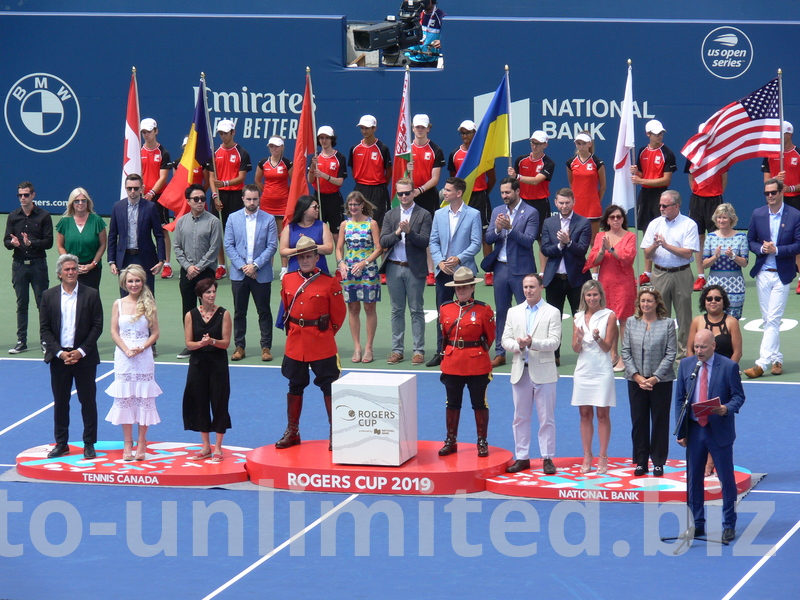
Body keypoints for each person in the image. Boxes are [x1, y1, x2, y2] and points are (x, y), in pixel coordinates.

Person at [276, 236, 346, 450]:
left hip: (321, 341)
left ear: (317, 257)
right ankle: (292, 431)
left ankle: (336, 432)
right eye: (301, 257)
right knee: (295, 385)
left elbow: (338, 315)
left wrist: (323, 333)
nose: (305, 260)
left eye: (309, 256)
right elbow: (287, 309)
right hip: (296, 342)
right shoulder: (288, 279)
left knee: (328, 386)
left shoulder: (329, 282)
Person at [675, 329, 745, 543]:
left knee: (726, 479)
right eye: (696, 346)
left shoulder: (729, 366)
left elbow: (739, 396)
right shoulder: (686, 366)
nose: (699, 351)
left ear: (713, 345)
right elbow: (679, 400)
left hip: (719, 431)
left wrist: (726, 408)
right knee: (693, 480)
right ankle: (697, 524)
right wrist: (681, 431)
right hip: (695, 430)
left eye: (703, 347)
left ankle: (728, 525)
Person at [40, 254, 103, 459]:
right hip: (59, 359)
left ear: (78, 271)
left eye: (73, 269)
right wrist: (59, 352)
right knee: (61, 402)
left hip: (84, 358)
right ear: (59, 274)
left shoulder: (91, 294)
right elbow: (45, 329)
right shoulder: (48, 296)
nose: (70, 272)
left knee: (88, 401)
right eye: (66, 269)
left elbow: (97, 326)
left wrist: (81, 351)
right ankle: (61, 443)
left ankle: (89, 443)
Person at [502, 273, 562, 474]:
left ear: (541, 288)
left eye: (532, 287)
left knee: (547, 418)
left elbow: (555, 342)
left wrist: (532, 343)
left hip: (544, 372)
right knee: (520, 417)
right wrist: (518, 346)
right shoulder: (513, 312)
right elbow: (505, 340)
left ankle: (547, 458)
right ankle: (522, 457)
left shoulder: (552, 312)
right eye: (526, 287)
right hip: (521, 371)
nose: (528, 290)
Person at [743, 178, 800, 379]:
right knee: (769, 320)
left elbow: (798, 244)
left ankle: (761, 364)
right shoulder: (758, 214)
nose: (769, 197)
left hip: (782, 275)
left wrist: (777, 250)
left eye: (773, 193)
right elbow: (750, 240)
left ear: (781, 192)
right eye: (766, 193)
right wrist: (761, 248)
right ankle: (777, 358)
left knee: (773, 319)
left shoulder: (794, 215)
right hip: (762, 274)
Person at [105, 265, 162, 461]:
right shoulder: (118, 304)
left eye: (137, 280)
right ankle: (127, 443)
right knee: (126, 398)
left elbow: (155, 333)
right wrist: (126, 349)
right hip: (123, 357)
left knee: (144, 398)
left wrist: (142, 347)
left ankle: (142, 442)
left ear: (142, 282)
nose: (134, 284)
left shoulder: (149, 304)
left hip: (143, 356)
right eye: (130, 281)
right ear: (124, 283)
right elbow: (114, 332)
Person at [436, 267, 494, 457]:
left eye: (465, 287)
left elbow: (490, 337)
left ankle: (482, 441)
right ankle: (451, 440)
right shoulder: (445, 309)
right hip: (452, 362)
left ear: (472, 288)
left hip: (477, 363)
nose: (461, 291)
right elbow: (445, 335)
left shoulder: (483, 310)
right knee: (452, 403)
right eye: (458, 287)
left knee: (479, 403)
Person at [483, 177, 537, 368]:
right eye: (502, 193)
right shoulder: (498, 211)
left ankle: (528, 352)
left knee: (526, 313)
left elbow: (529, 240)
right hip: (501, 268)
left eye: (508, 192)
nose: (505, 196)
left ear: (517, 192)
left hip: (522, 271)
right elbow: (488, 238)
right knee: (502, 312)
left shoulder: (531, 212)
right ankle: (500, 352)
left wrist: (510, 228)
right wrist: (497, 228)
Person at [427, 177, 482, 367]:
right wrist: (440, 261)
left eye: (448, 190)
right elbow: (433, 241)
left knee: (467, 312)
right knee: (442, 312)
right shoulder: (439, 214)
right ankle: (441, 351)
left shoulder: (474, 214)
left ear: (459, 193)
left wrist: (458, 258)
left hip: (464, 272)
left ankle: (469, 350)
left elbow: (476, 243)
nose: (444, 192)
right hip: (443, 271)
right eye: (445, 189)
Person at [621, 288, 676, 477]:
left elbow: (671, 354)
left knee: (660, 421)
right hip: (636, 382)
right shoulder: (631, 322)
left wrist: (655, 378)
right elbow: (626, 351)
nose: (646, 304)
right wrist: (637, 377)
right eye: (643, 301)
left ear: (657, 303)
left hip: (661, 382)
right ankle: (641, 461)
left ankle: (659, 462)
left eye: (649, 301)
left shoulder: (667, 324)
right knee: (639, 422)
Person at [380, 177, 432, 365]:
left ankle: (418, 350)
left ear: (413, 193)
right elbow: (383, 242)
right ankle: (397, 350)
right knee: (397, 310)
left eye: (407, 193)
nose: (403, 196)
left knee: (416, 310)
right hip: (394, 267)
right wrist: (396, 233)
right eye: (400, 193)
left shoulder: (424, 214)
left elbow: (425, 241)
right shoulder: (390, 215)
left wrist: (409, 231)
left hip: (414, 269)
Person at [641, 190, 699, 359]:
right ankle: (663, 355)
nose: (661, 208)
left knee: (684, 317)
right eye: (660, 205)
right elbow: (647, 253)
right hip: (660, 274)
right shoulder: (654, 224)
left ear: (676, 206)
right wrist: (655, 245)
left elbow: (688, 253)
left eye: (665, 205)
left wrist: (665, 245)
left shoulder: (689, 225)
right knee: (659, 317)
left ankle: (684, 356)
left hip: (682, 274)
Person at [224, 184, 279, 362]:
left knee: (264, 311)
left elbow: (272, 246)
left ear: (259, 199)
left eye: (255, 199)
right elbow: (228, 245)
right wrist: (243, 267)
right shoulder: (232, 218)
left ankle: (266, 347)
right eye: (249, 199)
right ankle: (239, 346)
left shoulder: (269, 219)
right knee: (240, 312)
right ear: (243, 199)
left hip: (261, 274)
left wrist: (254, 266)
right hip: (240, 275)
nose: (252, 202)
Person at [182, 278, 232, 463]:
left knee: (219, 402)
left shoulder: (224, 314)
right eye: (208, 292)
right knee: (200, 403)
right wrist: (200, 344)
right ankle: (205, 447)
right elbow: (188, 343)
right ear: (200, 295)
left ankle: (218, 447)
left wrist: (212, 341)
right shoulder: (191, 315)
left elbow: (226, 343)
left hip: (218, 364)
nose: (212, 295)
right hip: (198, 365)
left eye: (213, 292)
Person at [571, 280, 617, 474]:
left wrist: (597, 338)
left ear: (601, 296)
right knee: (585, 414)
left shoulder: (610, 316)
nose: (591, 298)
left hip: (602, 369)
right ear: (584, 296)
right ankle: (587, 454)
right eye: (588, 295)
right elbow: (575, 349)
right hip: (583, 370)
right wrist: (579, 340)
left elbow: (608, 347)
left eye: (595, 295)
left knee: (602, 414)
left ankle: (603, 456)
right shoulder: (578, 317)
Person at [541, 188, 592, 364]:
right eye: (561, 203)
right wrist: (560, 247)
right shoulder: (548, 223)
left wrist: (568, 242)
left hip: (577, 280)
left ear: (573, 202)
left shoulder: (584, 222)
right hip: (554, 279)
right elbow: (545, 249)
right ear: (555, 203)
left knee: (580, 317)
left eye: (567, 203)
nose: (564, 206)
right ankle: (554, 355)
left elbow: (582, 250)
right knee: (553, 319)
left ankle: (583, 352)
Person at [584, 204, 637, 370]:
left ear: (623, 219)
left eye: (619, 217)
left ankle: (626, 357)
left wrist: (611, 248)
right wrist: (602, 250)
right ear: (607, 220)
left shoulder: (630, 236)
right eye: (612, 217)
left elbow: (627, 257)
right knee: (609, 319)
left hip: (624, 282)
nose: (615, 220)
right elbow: (594, 259)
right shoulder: (600, 236)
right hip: (605, 281)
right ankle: (613, 354)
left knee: (623, 319)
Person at [173, 185, 223, 359]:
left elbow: (214, 248)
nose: (200, 202)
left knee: (207, 309)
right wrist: (188, 267)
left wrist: (198, 267)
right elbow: (177, 247)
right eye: (196, 199)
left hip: (205, 272)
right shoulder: (181, 222)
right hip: (187, 273)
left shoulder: (213, 222)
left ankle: (208, 342)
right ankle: (192, 344)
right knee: (188, 309)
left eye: (202, 198)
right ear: (188, 201)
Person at [4, 181, 53, 354]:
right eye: (20, 195)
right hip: (19, 266)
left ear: (33, 195)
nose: (23, 198)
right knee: (21, 304)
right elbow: (6, 241)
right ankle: (21, 341)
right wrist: (13, 243)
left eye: (26, 195)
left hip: (38, 265)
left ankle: (45, 341)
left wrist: (31, 243)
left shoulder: (44, 216)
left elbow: (49, 242)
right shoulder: (13, 216)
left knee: (42, 304)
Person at [336, 191, 382, 364]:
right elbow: (339, 248)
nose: (353, 207)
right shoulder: (344, 225)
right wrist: (341, 263)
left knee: (370, 309)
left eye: (356, 204)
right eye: (350, 205)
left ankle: (369, 347)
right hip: (349, 271)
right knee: (353, 309)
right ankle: (357, 347)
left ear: (362, 205)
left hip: (368, 270)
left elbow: (379, 248)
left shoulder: (372, 224)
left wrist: (364, 262)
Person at [630, 119, 677, 285]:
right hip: (645, 196)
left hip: (661, 195)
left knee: (663, 231)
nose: (660, 136)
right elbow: (642, 174)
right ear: (648, 134)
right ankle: (647, 273)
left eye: (661, 133)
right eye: (656, 133)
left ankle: (662, 267)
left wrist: (642, 180)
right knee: (647, 232)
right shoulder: (642, 151)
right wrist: (637, 174)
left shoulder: (668, 153)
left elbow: (666, 180)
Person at [448, 119, 495, 282]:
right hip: (462, 199)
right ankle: (465, 268)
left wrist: (481, 192)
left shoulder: (484, 153)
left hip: (480, 197)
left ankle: (489, 272)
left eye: (468, 132)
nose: (464, 135)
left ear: (475, 133)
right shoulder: (454, 154)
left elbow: (492, 179)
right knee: (462, 234)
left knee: (485, 235)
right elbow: (453, 179)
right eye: (462, 132)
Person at [206, 119, 252, 280]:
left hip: (235, 196)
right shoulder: (215, 153)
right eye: (220, 133)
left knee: (237, 232)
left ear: (233, 132)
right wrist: (215, 196)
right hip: (219, 196)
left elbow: (241, 177)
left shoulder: (242, 153)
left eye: (226, 133)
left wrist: (225, 182)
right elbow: (211, 177)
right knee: (217, 232)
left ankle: (239, 264)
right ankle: (221, 266)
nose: (223, 136)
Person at [108, 173, 166, 295]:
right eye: (130, 188)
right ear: (126, 188)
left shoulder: (150, 207)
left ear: (142, 188)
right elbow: (112, 235)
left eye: (136, 188)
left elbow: (159, 235)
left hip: (145, 258)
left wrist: (161, 260)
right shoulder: (117, 207)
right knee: (125, 296)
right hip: (124, 258)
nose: (133, 191)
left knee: (147, 296)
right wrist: (112, 261)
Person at [508, 130, 555, 271]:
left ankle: (543, 272)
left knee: (542, 239)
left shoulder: (548, 163)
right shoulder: (521, 160)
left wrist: (517, 177)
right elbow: (514, 182)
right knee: (520, 237)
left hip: (540, 203)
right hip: (523, 203)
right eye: (533, 143)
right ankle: (521, 268)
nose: (534, 146)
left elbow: (536, 181)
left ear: (545, 145)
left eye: (538, 144)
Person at [762, 121, 800, 292]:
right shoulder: (770, 155)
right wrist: (776, 181)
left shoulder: (798, 154)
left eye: (781, 134)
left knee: (797, 240)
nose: (778, 136)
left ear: (789, 134)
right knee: (777, 237)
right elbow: (766, 182)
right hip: (777, 201)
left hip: (795, 200)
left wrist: (790, 188)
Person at [685, 145, 727, 291]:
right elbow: (690, 176)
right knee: (699, 238)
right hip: (697, 201)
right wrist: (699, 191)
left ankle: (718, 274)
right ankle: (701, 276)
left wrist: (714, 193)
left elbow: (724, 179)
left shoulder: (719, 155)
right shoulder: (692, 155)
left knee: (717, 237)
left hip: (714, 200)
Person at [139, 118, 175, 279]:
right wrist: (140, 191)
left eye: (149, 131)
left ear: (156, 131)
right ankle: (145, 260)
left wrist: (151, 193)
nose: (146, 135)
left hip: (159, 197)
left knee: (162, 229)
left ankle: (167, 264)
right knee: (142, 230)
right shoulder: (138, 151)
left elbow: (163, 178)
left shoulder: (163, 153)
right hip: (141, 196)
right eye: (144, 132)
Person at [702, 203, 748, 318]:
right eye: (719, 217)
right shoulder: (711, 237)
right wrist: (715, 257)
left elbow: (745, 263)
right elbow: (704, 264)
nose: (721, 220)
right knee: (714, 319)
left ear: (731, 219)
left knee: (733, 321)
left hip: (735, 286)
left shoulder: (741, 237)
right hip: (715, 285)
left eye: (724, 217)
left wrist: (733, 256)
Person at [56, 187, 107, 290]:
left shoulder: (97, 221)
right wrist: (72, 263)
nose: (80, 203)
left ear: (88, 202)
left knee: (91, 300)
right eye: (77, 201)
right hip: (70, 270)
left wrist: (92, 265)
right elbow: (60, 245)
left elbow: (102, 245)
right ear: (72, 203)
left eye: (83, 200)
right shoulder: (64, 222)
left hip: (92, 270)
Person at [349, 115, 392, 229]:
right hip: (361, 188)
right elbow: (353, 169)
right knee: (359, 219)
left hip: (378, 189)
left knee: (379, 221)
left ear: (374, 128)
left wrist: (380, 185)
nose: (364, 131)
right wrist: (361, 181)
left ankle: (379, 246)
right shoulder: (355, 148)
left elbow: (388, 171)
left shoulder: (383, 148)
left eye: (367, 128)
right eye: (362, 128)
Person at [308, 125, 347, 242]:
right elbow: (310, 180)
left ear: (332, 139)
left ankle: (339, 260)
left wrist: (324, 175)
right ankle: (318, 260)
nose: (324, 141)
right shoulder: (315, 158)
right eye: (321, 138)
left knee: (336, 234)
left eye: (326, 138)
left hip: (334, 199)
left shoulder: (339, 157)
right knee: (318, 232)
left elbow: (340, 182)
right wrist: (313, 167)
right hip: (318, 198)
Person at [279, 195, 335, 277]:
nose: (318, 210)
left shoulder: (322, 226)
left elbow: (329, 248)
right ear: (304, 209)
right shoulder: (290, 228)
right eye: (315, 207)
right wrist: (300, 249)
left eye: (318, 207)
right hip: (295, 271)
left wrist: (311, 247)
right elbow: (283, 251)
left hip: (319, 272)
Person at [566, 131, 606, 243]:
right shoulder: (571, 162)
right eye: (578, 143)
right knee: (575, 240)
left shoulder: (598, 162)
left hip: (592, 207)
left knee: (594, 241)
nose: (581, 146)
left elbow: (603, 187)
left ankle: (593, 261)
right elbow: (572, 184)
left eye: (584, 143)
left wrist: (596, 201)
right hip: (577, 206)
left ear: (590, 144)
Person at [687, 285, 743, 364]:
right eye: (709, 299)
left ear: (723, 301)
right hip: (702, 369)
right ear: (704, 301)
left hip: (725, 368)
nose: (713, 301)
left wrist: (729, 369)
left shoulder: (732, 322)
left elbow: (737, 352)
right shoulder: (697, 321)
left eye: (717, 299)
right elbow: (690, 350)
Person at [255, 135, 293, 228]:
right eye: (271, 146)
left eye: (277, 146)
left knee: (282, 235)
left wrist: (283, 192)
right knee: (265, 234)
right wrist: (267, 191)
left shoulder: (287, 163)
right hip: (266, 203)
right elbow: (257, 180)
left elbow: (293, 182)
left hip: (282, 204)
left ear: (282, 147)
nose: (274, 149)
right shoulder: (263, 162)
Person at [404, 0, 444, 68]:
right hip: (410, 58)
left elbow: (449, 39)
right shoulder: (414, 13)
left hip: (429, 61)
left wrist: (442, 42)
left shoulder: (441, 16)